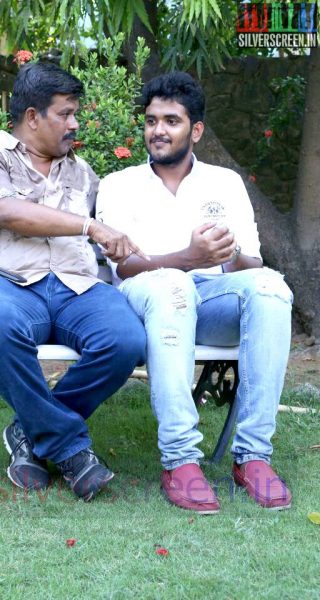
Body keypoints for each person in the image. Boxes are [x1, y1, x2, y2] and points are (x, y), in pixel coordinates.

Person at [96, 71, 293, 513]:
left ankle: (254, 455)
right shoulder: (118, 184)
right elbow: (124, 266)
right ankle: (181, 459)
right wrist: (189, 256)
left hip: (213, 299)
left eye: (171, 121)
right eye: (151, 121)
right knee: (172, 284)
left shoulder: (225, 183)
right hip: (147, 299)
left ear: (196, 130)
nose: (158, 131)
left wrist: (229, 252)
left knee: (271, 288)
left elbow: (251, 265)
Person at [0, 62, 147, 501]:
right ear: (32, 117)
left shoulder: (82, 172)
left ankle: (29, 433)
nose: (75, 123)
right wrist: (89, 227)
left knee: (126, 340)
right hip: (11, 283)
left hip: (78, 286)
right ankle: (70, 449)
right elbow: (5, 212)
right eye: (65, 113)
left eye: (75, 113)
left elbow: (122, 234)